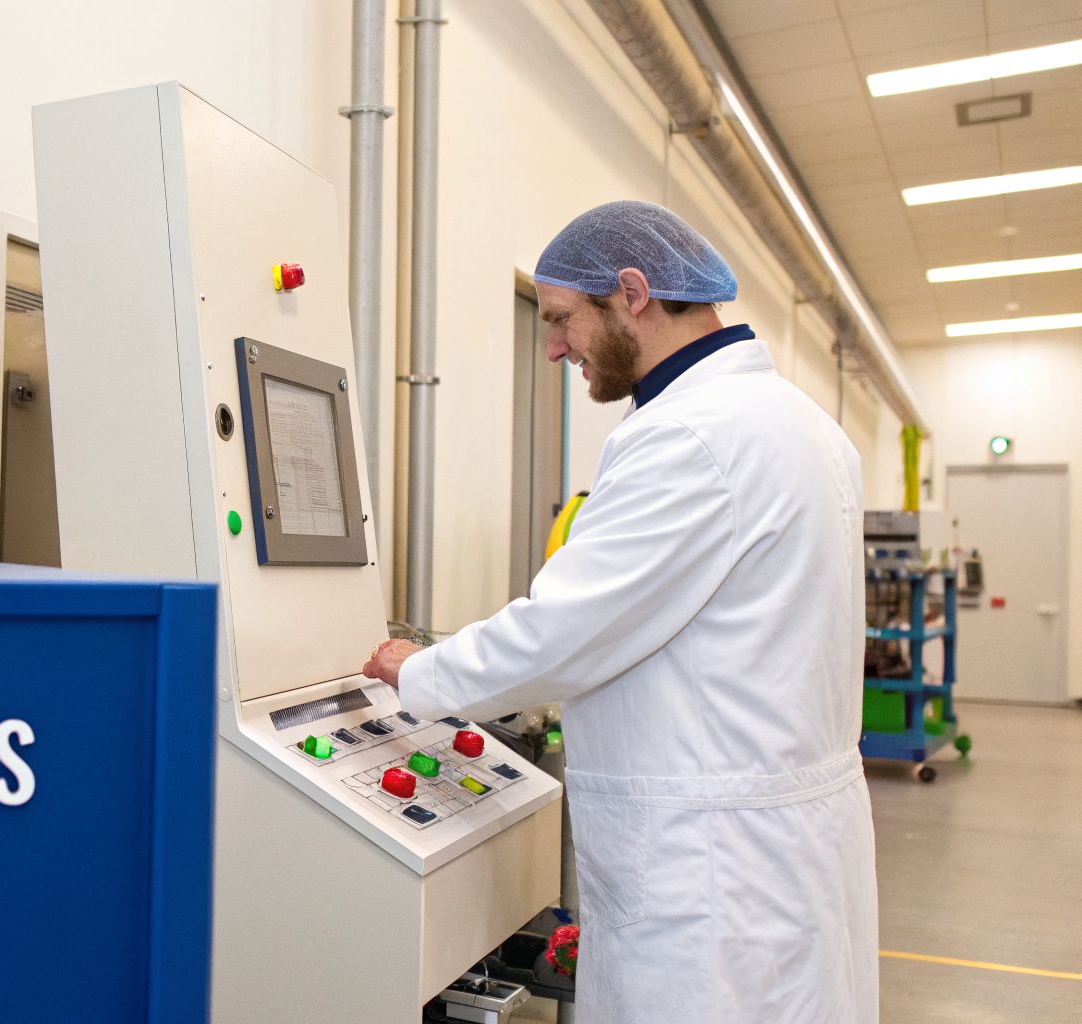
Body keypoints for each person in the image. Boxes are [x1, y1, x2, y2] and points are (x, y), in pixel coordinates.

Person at [364, 200, 878, 1023]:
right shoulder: (804, 425)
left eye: (564, 317)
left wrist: (416, 671)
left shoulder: (693, 438)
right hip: (784, 852)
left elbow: (567, 631)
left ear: (632, 292)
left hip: (710, 875)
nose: (555, 343)